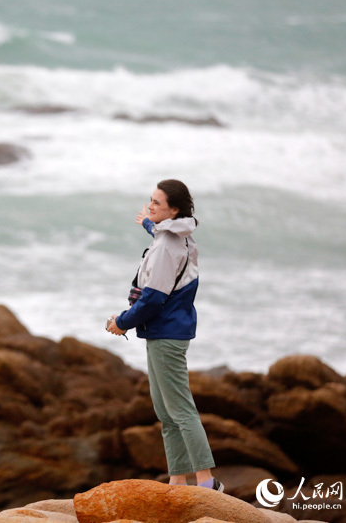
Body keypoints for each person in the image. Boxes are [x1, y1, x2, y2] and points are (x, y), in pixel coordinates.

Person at [106, 179, 222, 492]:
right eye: (151, 200)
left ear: (174, 210)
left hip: (166, 335)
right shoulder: (176, 234)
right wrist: (146, 221)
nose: (151, 205)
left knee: (181, 411)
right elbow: (159, 235)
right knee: (166, 412)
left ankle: (206, 482)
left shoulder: (169, 244)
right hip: (164, 332)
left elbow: (154, 297)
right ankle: (177, 480)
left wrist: (123, 322)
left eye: (157, 203)